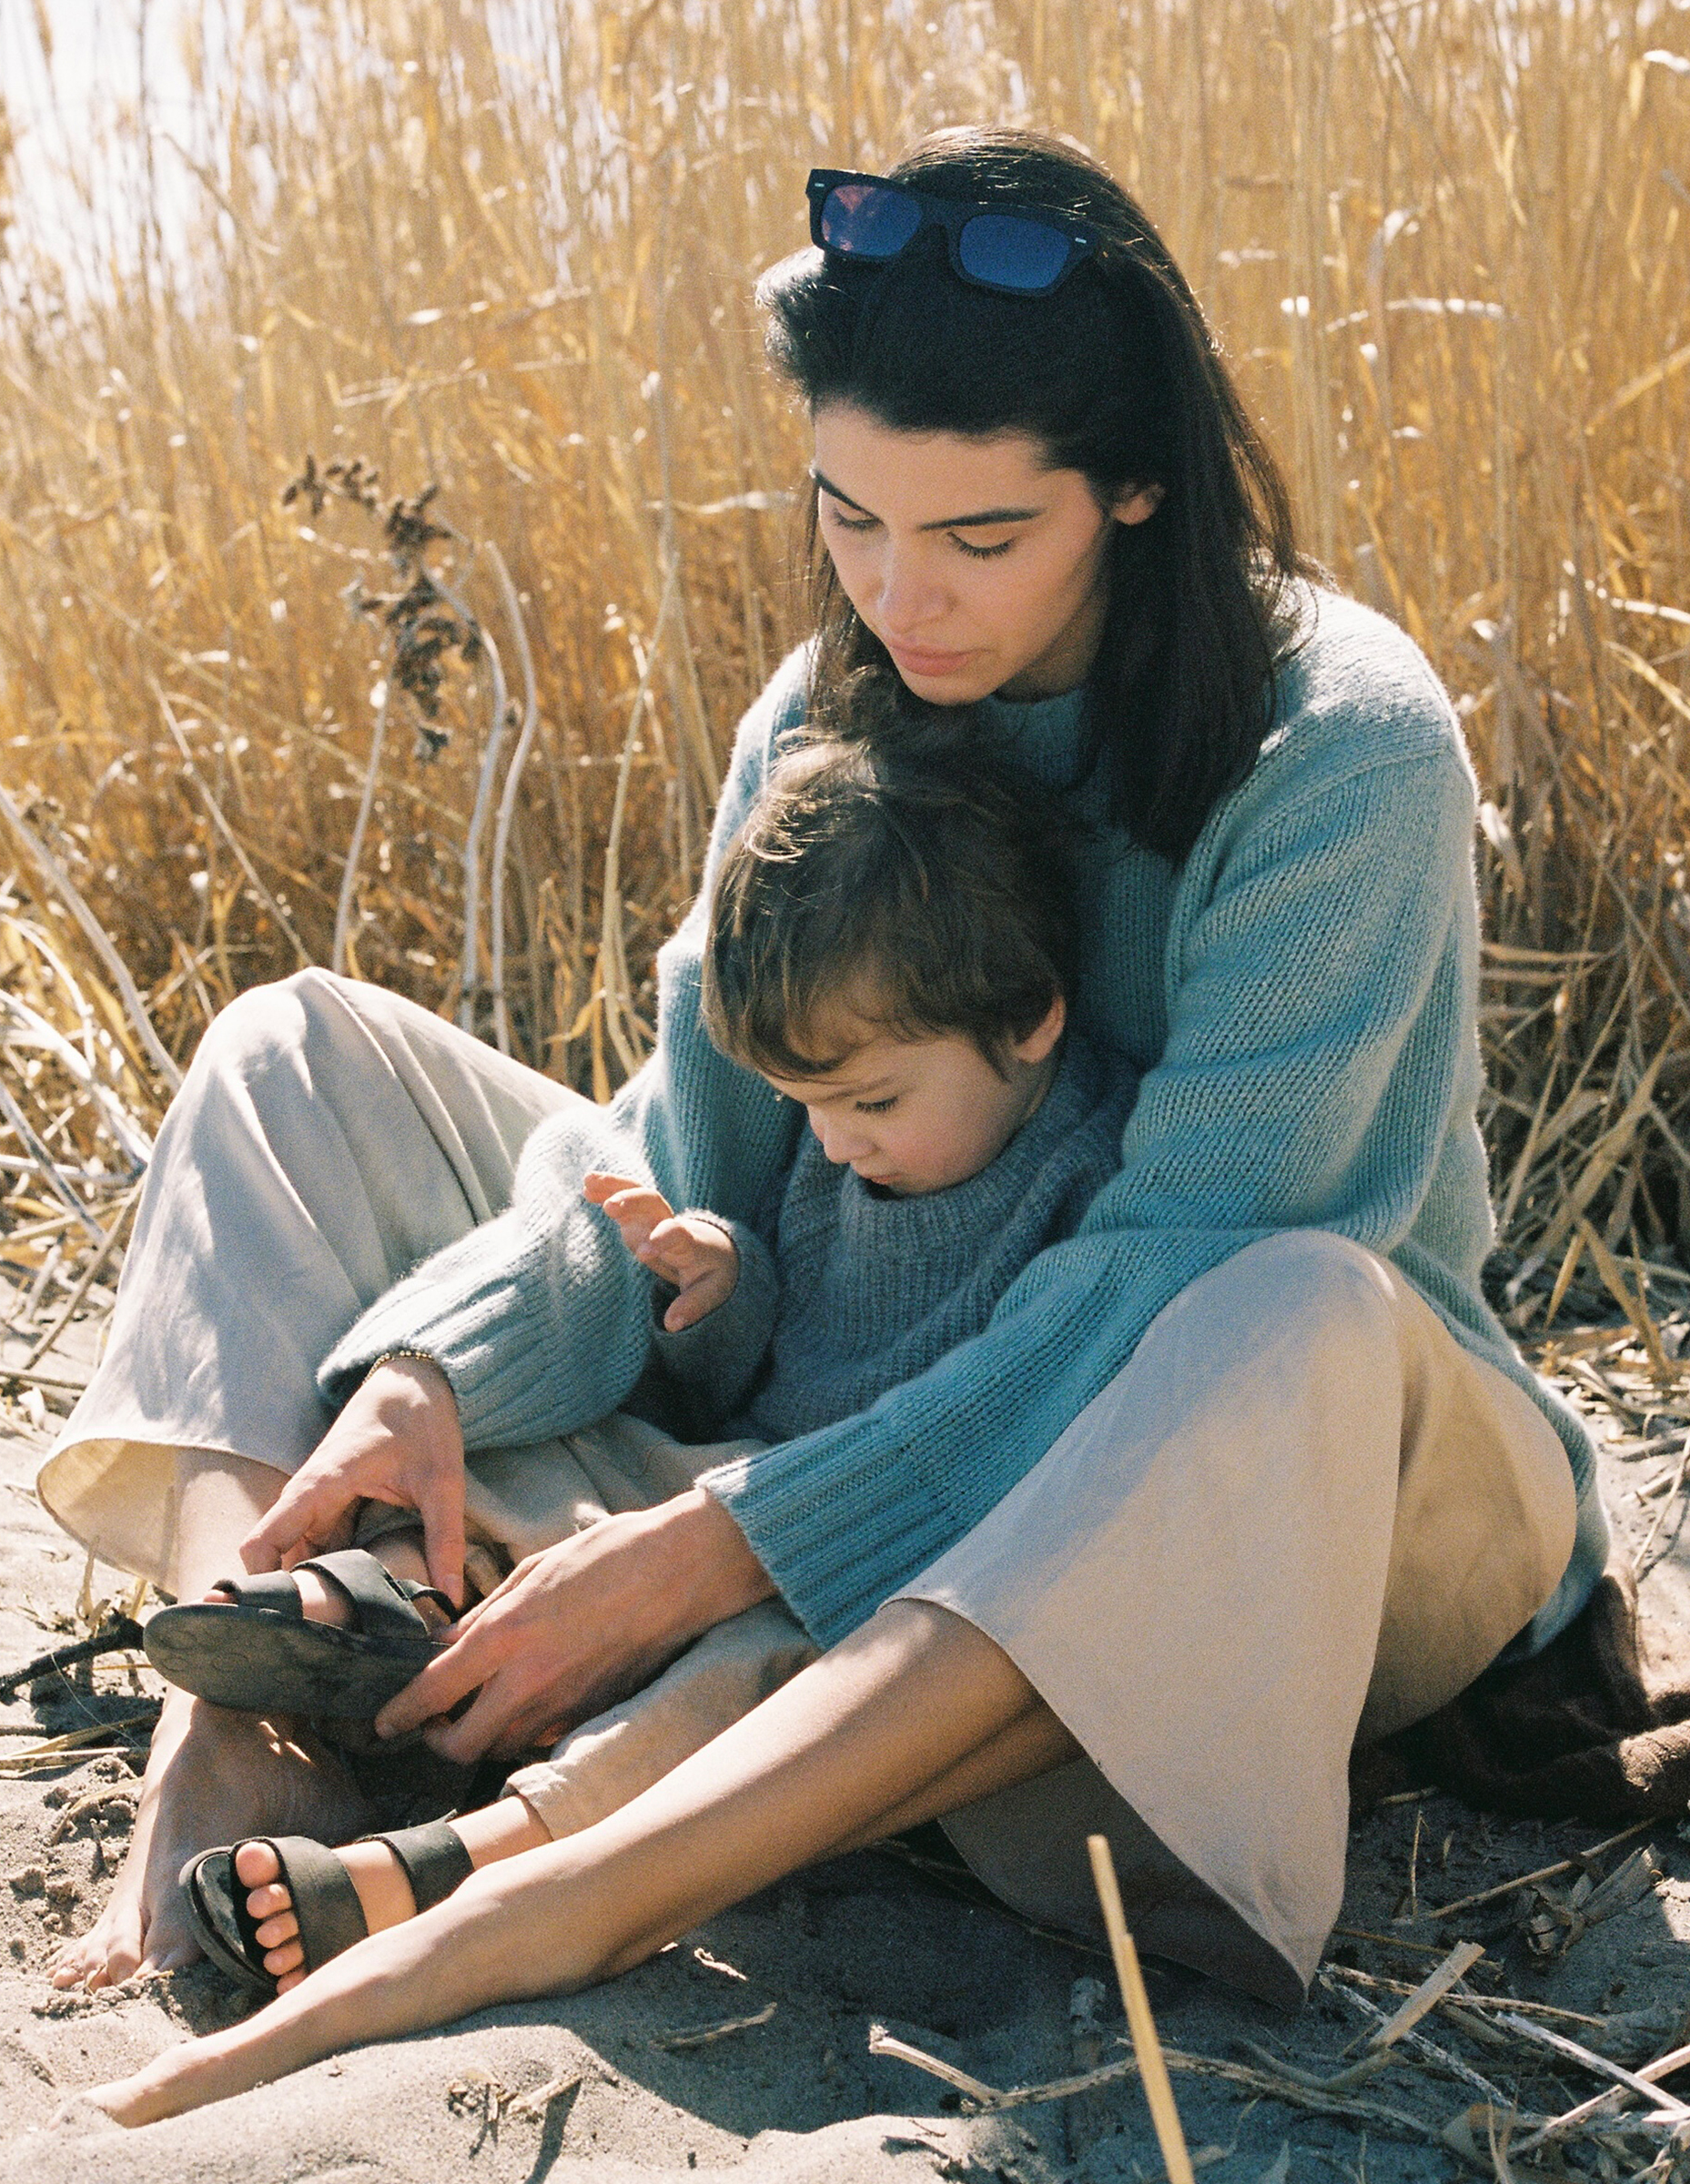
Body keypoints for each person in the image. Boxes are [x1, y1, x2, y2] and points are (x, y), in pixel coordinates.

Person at [46, 126, 1604, 2118]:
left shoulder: (1335, 750)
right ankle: (238, 1679)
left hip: (1287, 1483)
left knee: (1281, 1302)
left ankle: (572, 1892)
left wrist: (722, 1544)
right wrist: (440, 1356)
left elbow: (1168, 1282)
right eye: (851, 520)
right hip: (849, 1399)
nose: (899, 595)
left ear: (1137, 490)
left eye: (977, 538)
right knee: (288, 1056)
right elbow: (692, 1155)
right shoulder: (827, 704)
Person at [159, 727, 1138, 1995]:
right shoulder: (840, 1127)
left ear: (1031, 1021)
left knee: (768, 1671)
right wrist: (717, 1285)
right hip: (729, 1474)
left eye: (875, 1106)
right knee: (574, 1453)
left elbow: (1026, 1415)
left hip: (869, 1552)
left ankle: (473, 1858)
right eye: (812, 1110)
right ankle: (399, 1595)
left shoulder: (1095, 1173)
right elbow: (772, 1349)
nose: (836, 1144)